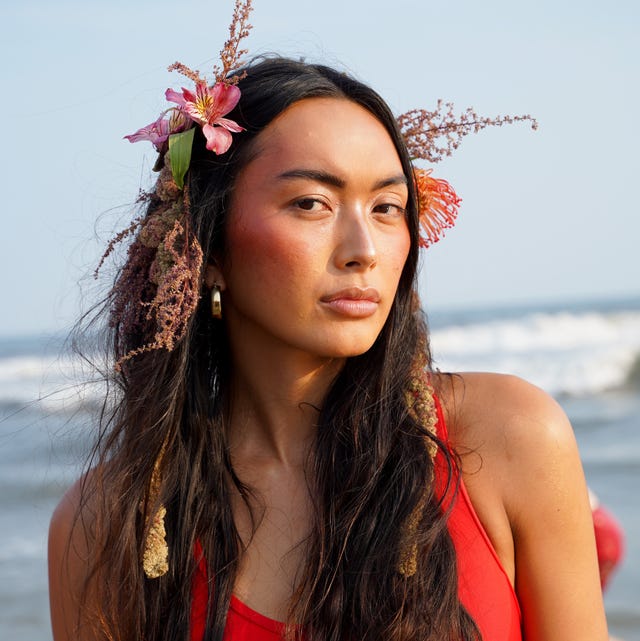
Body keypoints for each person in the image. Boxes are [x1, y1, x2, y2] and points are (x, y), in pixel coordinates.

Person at [48, 2, 609, 640]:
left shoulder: (509, 437)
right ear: (207, 249)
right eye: (311, 203)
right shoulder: (108, 524)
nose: (363, 248)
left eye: (388, 206)